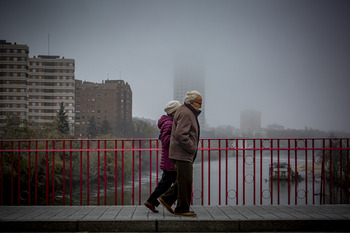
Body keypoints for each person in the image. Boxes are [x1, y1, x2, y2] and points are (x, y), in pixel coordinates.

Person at [158, 90, 202, 217]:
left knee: (183, 180)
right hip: (182, 153)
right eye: (199, 103)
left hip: (182, 153)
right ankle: (181, 208)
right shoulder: (186, 113)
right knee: (185, 181)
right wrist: (192, 147)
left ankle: (167, 199)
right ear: (192, 102)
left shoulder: (185, 111)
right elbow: (181, 134)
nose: (201, 106)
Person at [144, 100, 181, 213]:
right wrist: (178, 137)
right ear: (174, 111)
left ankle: (152, 201)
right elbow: (165, 141)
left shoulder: (170, 122)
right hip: (170, 160)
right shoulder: (169, 123)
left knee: (166, 184)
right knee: (179, 183)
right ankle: (163, 201)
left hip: (169, 159)